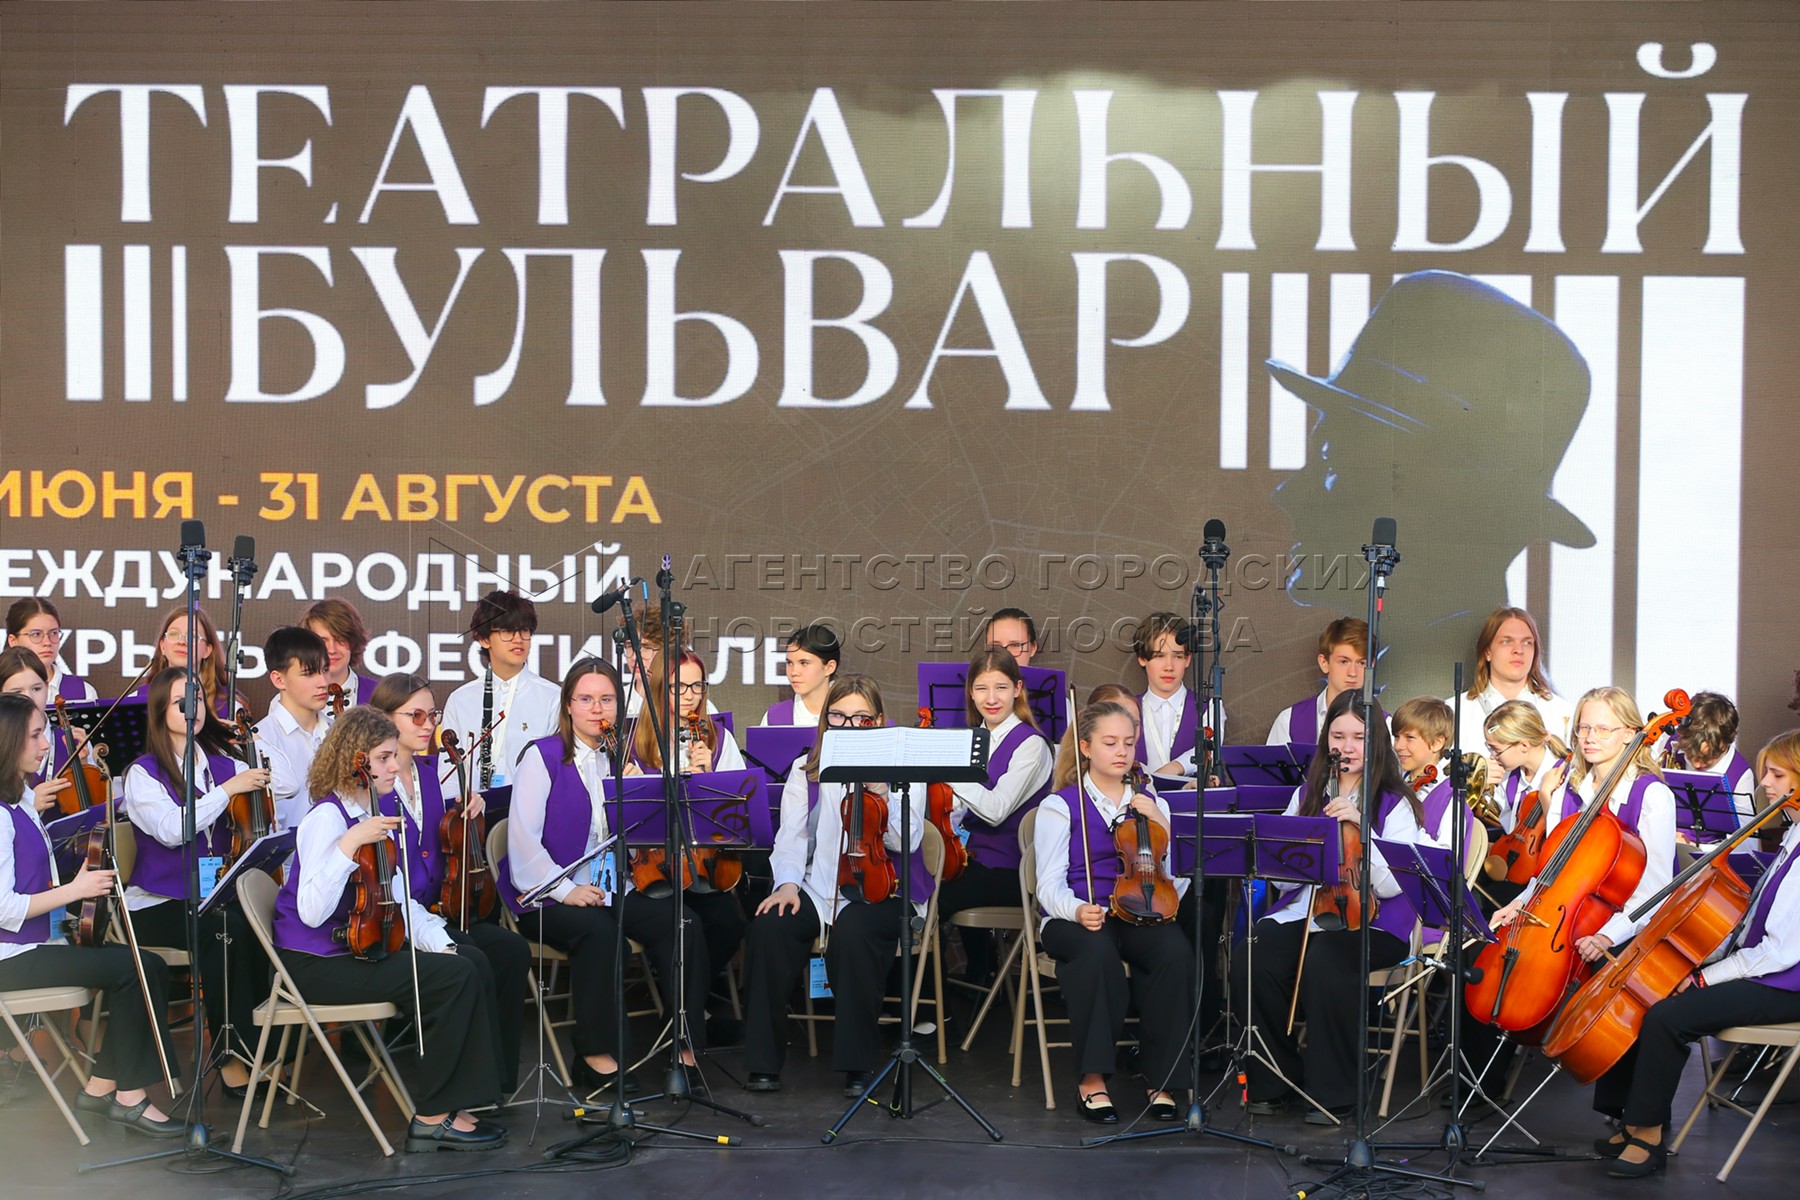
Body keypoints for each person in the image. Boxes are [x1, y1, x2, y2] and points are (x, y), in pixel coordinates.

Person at [273, 705, 507, 1151]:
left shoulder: (374, 810)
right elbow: (312, 913)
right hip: (314, 961)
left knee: (468, 959)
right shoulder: (327, 819)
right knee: (451, 978)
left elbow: (398, 898)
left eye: (392, 756)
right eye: (383, 758)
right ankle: (432, 1117)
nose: (395, 766)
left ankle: (464, 1099)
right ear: (355, 761)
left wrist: (441, 943)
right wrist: (348, 845)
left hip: (357, 947)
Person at [1586, 732, 1800, 1179]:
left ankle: (1649, 1136)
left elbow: (1778, 952)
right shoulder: (1793, 834)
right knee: (1647, 986)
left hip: (1785, 985)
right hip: (1764, 969)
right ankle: (1630, 1117)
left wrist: (1704, 977)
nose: (1764, 782)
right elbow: (1751, 922)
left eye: (1777, 775)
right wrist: (1699, 956)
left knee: (1668, 1017)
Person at [501, 658, 709, 1096]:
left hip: (613, 886)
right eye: (586, 699)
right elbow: (522, 844)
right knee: (600, 934)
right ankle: (595, 1057)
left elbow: (635, 844)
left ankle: (682, 1045)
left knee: (682, 922)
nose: (598, 709)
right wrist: (566, 890)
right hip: (545, 891)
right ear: (568, 705)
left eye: (607, 699)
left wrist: (638, 798)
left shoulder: (622, 758)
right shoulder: (542, 757)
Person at [1231, 690, 1421, 1123]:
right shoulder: (1307, 794)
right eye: (1338, 737)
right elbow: (1282, 881)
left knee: (1327, 961)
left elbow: (1393, 885)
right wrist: (1297, 844)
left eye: (1358, 737)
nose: (1347, 747)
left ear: (1376, 743)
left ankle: (1336, 1092)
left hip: (1376, 922)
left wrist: (1361, 828)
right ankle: (1275, 1080)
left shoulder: (1397, 803)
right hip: (1308, 911)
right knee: (1252, 956)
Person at [0, 692, 183, 1136]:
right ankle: (127, 1097)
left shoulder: (21, 802)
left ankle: (104, 1088)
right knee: (136, 969)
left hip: (34, 945)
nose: (47, 745)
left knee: (145, 966)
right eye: (36, 735)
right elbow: (4, 908)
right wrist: (75, 890)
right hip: (10, 958)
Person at [742, 675, 930, 1097]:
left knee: (856, 932)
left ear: (878, 720)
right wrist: (787, 885)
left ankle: (858, 1066)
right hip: (817, 886)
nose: (849, 726)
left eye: (861, 718)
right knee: (769, 928)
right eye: (839, 716)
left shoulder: (903, 770)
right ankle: (762, 1063)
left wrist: (884, 795)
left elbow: (908, 841)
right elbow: (792, 839)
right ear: (826, 720)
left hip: (882, 888)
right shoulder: (805, 769)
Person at [370, 673, 530, 1093]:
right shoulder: (370, 783)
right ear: (385, 718)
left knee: (510, 949)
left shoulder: (430, 773)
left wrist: (469, 807)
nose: (429, 725)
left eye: (433, 715)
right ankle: (467, 1081)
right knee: (470, 956)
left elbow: (438, 840)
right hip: (395, 920)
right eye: (416, 716)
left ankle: (499, 1077)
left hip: (439, 908)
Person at [1033, 700, 1192, 1123]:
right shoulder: (1060, 806)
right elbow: (1047, 885)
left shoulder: (1151, 802)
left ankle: (1162, 1078)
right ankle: (1092, 1079)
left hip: (1140, 910)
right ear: (1085, 747)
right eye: (1110, 743)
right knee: (1097, 953)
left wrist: (1162, 823)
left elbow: (1177, 876)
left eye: (1128, 742)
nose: (1122, 751)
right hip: (1078, 915)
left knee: (1174, 953)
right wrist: (1076, 910)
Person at [120, 667, 272, 1096]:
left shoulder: (227, 764)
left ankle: (267, 1049)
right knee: (226, 929)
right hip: (157, 903)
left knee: (261, 922)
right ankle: (231, 1057)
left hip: (211, 897)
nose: (194, 708)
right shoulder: (143, 773)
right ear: (159, 711)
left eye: (199, 699)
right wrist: (228, 790)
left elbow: (284, 794)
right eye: (181, 702)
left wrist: (258, 763)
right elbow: (173, 829)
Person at [1494, 687, 1678, 970]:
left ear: (1629, 734)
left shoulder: (1652, 796)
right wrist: (1519, 903)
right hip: (1566, 916)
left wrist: (1607, 936)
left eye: (1603, 729)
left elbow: (1654, 892)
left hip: (1625, 926)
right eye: (1584, 728)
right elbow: (1552, 870)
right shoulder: (1567, 789)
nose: (1590, 738)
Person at [625, 648, 746, 1033]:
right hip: (654, 870)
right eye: (680, 687)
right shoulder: (633, 742)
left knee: (728, 923)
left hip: (703, 865)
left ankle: (682, 1014)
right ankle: (689, 1024)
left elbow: (739, 814)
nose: (691, 696)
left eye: (698, 686)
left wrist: (710, 781)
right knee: (683, 925)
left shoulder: (719, 739)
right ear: (660, 688)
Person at [936, 648, 1052, 986]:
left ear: (1017, 689)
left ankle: (933, 1003)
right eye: (981, 688)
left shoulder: (1031, 744)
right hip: (973, 860)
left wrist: (948, 770)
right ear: (970, 693)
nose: (991, 698)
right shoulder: (973, 740)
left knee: (929, 899)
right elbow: (961, 812)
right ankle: (971, 980)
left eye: (1001, 687)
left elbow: (995, 810)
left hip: (1011, 869)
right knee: (917, 881)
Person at [442, 590, 560, 790]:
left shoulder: (553, 697)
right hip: (473, 808)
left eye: (524, 631)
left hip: (533, 807)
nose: (518, 639)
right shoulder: (460, 699)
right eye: (507, 631)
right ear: (484, 639)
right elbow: (448, 776)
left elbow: (557, 770)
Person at [1451, 607, 1576, 750]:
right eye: (1507, 641)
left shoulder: (1563, 714)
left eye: (1527, 642)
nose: (1519, 650)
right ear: (1487, 652)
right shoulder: (1455, 714)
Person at [254, 626, 334, 832]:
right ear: (278, 679)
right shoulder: (260, 739)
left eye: (325, 670)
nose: (323, 682)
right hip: (289, 852)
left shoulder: (340, 732)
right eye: (309, 673)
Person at [1265, 617, 1367, 751]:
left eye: (1361, 663)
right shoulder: (1289, 721)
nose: (1353, 673)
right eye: (1344, 662)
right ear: (1324, 663)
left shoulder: (1385, 725)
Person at [1390, 696, 1474, 851]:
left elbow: (1445, 859)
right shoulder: (1395, 786)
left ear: (1437, 743)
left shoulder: (1450, 801)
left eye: (1409, 738)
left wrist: (1408, 828)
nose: (1398, 746)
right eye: (1397, 737)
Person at [1658, 692, 1755, 822]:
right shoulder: (1672, 743)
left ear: (1726, 744)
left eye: (1707, 758)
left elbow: (1748, 833)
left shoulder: (1740, 774)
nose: (1697, 764)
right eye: (1690, 754)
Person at [1132, 612, 1205, 780]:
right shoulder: (1127, 708)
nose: (1169, 666)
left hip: (1192, 795)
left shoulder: (1209, 707)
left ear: (1188, 659)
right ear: (1142, 658)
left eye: (1178, 656)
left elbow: (1210, 749)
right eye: (1159, 656)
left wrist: (1174, 768)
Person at [0, 649, 69, 815]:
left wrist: (83, 764)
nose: (29, 698)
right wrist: (28, 806)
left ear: (47, 687)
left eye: (36, 689)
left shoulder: (70, 739)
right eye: (16, 692)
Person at [135, 606, 228, 715]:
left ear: (207, 650)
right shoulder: (136, 700)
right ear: (162, 646)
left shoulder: (229, 704)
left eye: (193, 636)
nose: (182, 642)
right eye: (174, 634)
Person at [5, 598, 95, 702]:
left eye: (53, 633)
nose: (47, 642)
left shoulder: (83, 692)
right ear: (13, 641)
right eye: (36, 634)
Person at [300, 598, 379, 706]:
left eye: (340, 639)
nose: (332, 650)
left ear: (353, 642)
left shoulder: (378, 695)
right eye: (323, 641)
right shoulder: (292, 698)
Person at [758, 624, 840, 727]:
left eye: (804, 663)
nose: (794, 672)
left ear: (829, 667)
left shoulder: (851, 716)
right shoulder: (774, 718)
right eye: (789, 663)